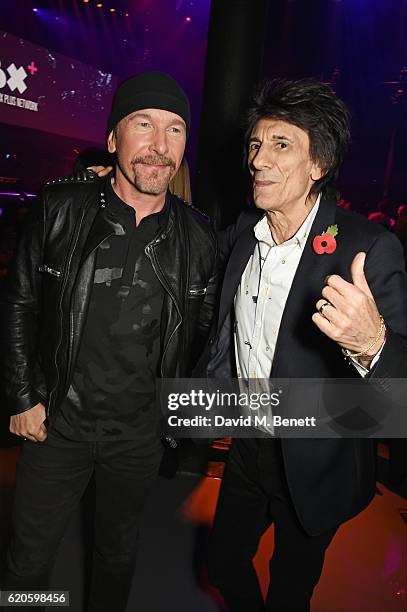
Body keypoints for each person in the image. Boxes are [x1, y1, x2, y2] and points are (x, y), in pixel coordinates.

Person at [0, 71, 218, 612]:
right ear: (114, 138)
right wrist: (23, 395)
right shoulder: (61, 208)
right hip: (56, 425)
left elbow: (212, 332)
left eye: (174, 130)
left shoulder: (198, 234)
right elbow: (20, 303)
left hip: (138, 437)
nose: (159, 146)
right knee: (29, 561)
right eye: (143, 125)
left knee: (116, 555)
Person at [196, 79, 407, 611]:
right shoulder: (245, 230)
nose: (258, 160)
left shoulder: (367, 247)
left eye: (281, 145)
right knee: (223, 563)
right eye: (254, 145)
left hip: (318, 456)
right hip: (248, 445)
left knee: (291, 588)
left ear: (319, 165)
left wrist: (371, 341)